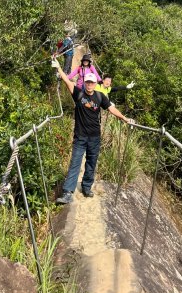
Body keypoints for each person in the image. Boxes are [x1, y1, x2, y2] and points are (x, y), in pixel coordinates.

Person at [51, 57, 134, 203]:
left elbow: (111, 109)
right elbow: (67, 81)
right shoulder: (79, 94)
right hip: (80, 136)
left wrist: (124, 118)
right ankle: (67, 192)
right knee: (75, 162)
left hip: (94, 136)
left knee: (91, 162)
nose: (89, 84)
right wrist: (58, 67)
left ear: (96, 83)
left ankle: (86, 187)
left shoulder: (100, 96)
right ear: (85, 83)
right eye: (87, 82)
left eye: (92, 82)